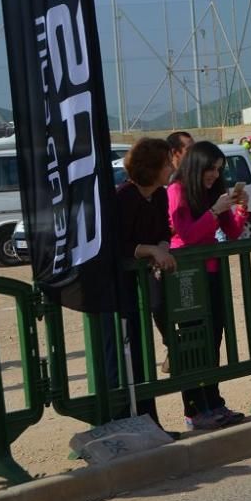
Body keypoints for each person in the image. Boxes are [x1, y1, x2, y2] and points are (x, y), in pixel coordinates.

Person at [167, 141, 249, 429]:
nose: (214, 175)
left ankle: (214, 402)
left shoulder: (214, 192)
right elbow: (186, 234)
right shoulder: (177, 190)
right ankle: (194, 410)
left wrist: (240, 208)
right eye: (209, 169)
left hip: (212, 271)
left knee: (214, 337)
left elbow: (232, 232)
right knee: (193, 342)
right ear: (195, 166)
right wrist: (214, 212)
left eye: (218, 170)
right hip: (186, 275)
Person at [105, 138, 178, 429]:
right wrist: (151, 250)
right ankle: (127, 422)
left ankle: (151, 422)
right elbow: (118, 245)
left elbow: (163, 230)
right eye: (167, 163)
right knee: (128, 355)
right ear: (152, 166)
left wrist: (161, 245)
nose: (172, 167)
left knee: (144, 354)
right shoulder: (123, 197)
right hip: (119, 289)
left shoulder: (159, 195)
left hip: (143, 285)